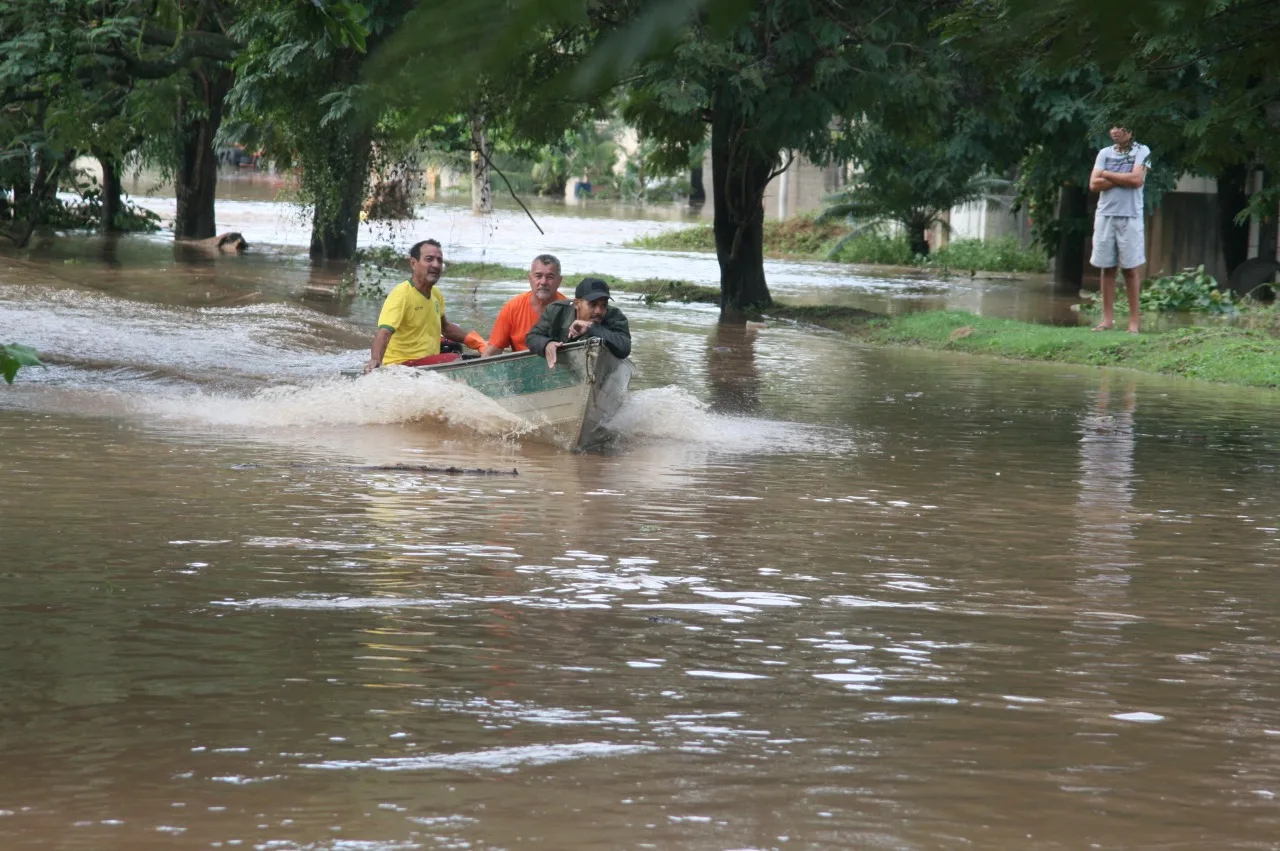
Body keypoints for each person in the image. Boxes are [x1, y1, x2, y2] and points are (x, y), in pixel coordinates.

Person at [362, 239, 485, 374]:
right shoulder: (401, 294)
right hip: (402, 366)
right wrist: (375, 360)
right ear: (413, 263)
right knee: (453, 359)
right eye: (429, 259)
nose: (436, 265)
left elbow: (446, 328)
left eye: (439, 260)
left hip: (426, 362)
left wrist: (479, 343)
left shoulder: (436, 294)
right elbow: (384, 332)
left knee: (453, 346)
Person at [1088, 125, 1151, 334]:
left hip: (1131, 216)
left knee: (1130, 269)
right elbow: (1094, 185)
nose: (1115, 131)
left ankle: (1133, 323)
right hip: (1105, 215)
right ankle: (1107, 320)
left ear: (1131, 131)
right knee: (1107, 268)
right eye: (1112, 127)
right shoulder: (1104, 153)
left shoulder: (1143, 151)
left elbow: (1136, 180)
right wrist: (1120, 176)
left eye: (1121, 127)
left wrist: (1107, 173)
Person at [525, 277, 631, 368]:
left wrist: (592, 327)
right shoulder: (556, 311)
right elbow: (532, 337)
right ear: (576, 304)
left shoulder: (615, 316)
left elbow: (625, 348)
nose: (598, 311)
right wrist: (547, 344)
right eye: (592, 304)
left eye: (603, 305)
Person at [479, 254, 567, 357]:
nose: (543, 282)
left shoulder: (570, 309)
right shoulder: (513, 307)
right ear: (530, 279)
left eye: (550, 277)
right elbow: (493, 350)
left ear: (559, 281)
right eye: (538, 276)